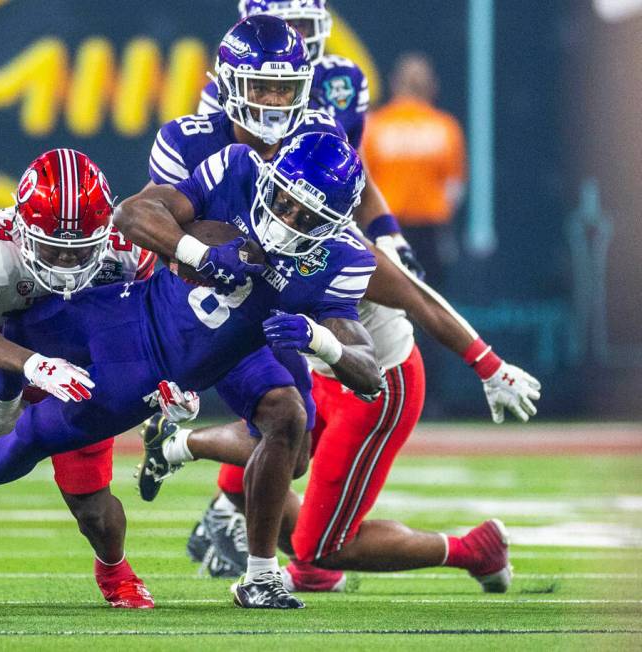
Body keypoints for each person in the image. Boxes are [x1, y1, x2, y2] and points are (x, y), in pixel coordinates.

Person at [0, 132, 386, 610]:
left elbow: (361, 369)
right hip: (1, 356)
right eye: (284, 201)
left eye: (308, 216)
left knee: (93, 498)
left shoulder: (335, 262)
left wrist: (316, 340)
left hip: (142, 356)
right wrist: (202, 257)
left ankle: (135, 564)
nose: (290, 218)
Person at [139, 235, 540, 593]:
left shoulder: (347, 249)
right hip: (318, 376)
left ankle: (474, 551)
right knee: (248, 481)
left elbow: (421, 300)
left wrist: (488, 365)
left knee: (322, 546)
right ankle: (312, 569)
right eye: (281, 201)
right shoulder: (259, 216)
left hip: (376, 386)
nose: (287, 216)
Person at [174, 6, 421, 575]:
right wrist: (194, 256)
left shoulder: (333, 101)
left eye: (306, 28)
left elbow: (351, 182)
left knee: (292, 428)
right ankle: (222, 501)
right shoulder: (221, 148)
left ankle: (224, 506)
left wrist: (385, 236)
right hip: (232, 277)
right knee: (285, 420)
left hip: (310, 277)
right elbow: (154, 214)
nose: (299, 41)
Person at [0, 149, 157, 608]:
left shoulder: (130, 249)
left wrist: (165, 382)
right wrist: (33, 364)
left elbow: (146, 329)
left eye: (77, 248)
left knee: (93, 507)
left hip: (78, 370)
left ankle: (114, 566)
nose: (64, 261)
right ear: (20, 228)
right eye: (51, 246)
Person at [362, 53, 467, 287]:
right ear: (431, 86)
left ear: (395, 84)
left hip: (386, 226)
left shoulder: (376, 126)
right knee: (430, 301)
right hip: (429, 228)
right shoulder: (444, 127)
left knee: (388, 302)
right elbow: (454, 188)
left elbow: (364, 184)